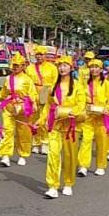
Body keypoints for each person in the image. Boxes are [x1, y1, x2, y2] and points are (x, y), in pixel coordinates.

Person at [44, 56, 86, 198]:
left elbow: (81, 104)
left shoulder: (78, 86)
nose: (62, 68)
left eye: (65, 65)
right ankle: (52, 185)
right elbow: (48, 106)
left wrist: (73, 112)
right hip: (55, 125)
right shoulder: (52, 87)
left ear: (71, 67)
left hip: (71, 126)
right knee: (53, 155)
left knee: (69, 156)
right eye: (60, 65)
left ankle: (68, 182)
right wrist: (41, 120)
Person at [0, 52, 37, 167]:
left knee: (23, 132)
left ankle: (23, 154)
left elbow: (32, 94)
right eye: (13, 65)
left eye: (17, 65)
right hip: (9, 107)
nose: (15, 67)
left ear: (23, 66)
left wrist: (31, 103)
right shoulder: (8, 78)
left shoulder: (27, 80)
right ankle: (5, 155)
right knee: (7, 130)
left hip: (23, 108)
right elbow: (3, 93)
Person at [78, 58, 109, 177]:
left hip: (101, 118)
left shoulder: (106, 84)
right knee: (86, 140)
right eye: (92, 67)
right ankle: (83, 165)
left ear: (101, 69)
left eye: (96, 67)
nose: (94, 69)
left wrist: (107, 109)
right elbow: (79, 98)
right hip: (88, 117)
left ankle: (100, 165)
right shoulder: (84, 83)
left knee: (102, 142)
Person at [26, 45, 57, 155]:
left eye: (41, 54)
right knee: (33, 117)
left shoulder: (52, 67)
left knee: (44, 118)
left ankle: (45, 142)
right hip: (33, 91)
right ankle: (35, 142)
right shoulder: (29, 68)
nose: (39, 57)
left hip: (46, 92)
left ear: (45, 55)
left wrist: (52, 94)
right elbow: (27, 82)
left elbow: (55, 82)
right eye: (37, 55)